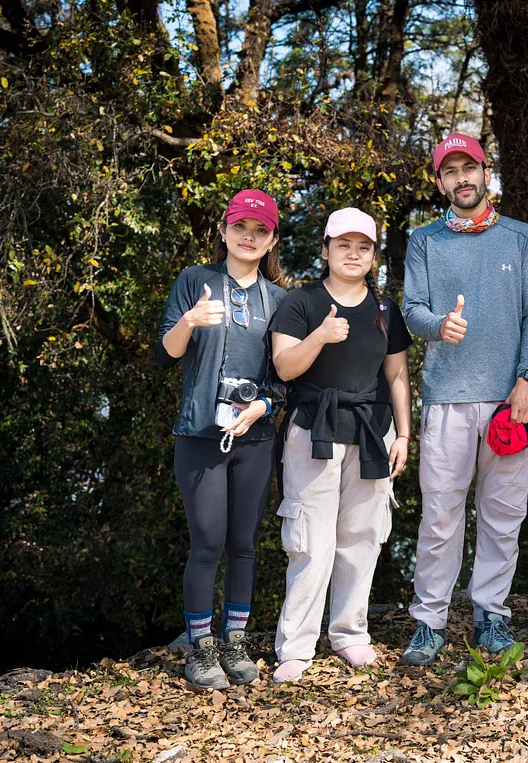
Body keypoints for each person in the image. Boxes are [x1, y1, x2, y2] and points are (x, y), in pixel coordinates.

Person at [400, 133, 528, 665]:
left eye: (470, 168)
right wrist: (440, 325)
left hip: (511, 401)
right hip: (446, 399)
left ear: (486, 174)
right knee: (440, 516)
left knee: (503, 515)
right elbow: (410, 310)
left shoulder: (520, 237)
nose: (462, 178)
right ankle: (429, 621)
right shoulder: (425, 241)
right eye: (450, 171)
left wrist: (527, 380)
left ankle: (491, 615)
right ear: (439, 183)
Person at [267, 208, 411, 683]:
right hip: (313, 428)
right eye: (343, 245)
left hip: (373, 430)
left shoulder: (385, 310)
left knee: (363, 536)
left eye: (363, 246)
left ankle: (350, 634)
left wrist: (406, 435)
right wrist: (321, 336)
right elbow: (285, 367)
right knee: (310, 539)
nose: (353, 253)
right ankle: (296, 645)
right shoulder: (300, 303)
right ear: (325, 249)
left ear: (373, 255)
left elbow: (396, 376)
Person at [155, 189, 288, 691]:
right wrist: (189, 321)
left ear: (272, 238)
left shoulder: (279, 298)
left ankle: (235, 641)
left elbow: (285, 374)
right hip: (199, 432)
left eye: (260, 230)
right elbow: (165, 353)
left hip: (254, 434)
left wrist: (264, 406)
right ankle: (200, 645)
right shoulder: (195, 281)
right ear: (224, 230)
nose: (249, 237)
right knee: (207, 541)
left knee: (244, 543)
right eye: (240, 227)